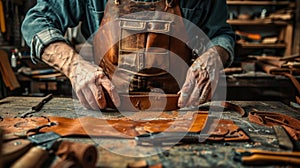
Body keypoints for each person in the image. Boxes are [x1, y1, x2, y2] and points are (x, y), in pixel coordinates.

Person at [21, 0, 235, 110]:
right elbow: (36, 22)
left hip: (179, 109)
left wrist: (213, 58)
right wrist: (74, 66)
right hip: (104, 108)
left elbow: (221, 34)